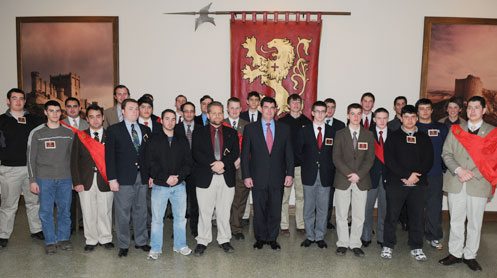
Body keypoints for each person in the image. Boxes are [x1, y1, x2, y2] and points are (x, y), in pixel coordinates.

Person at [439, 96, 496, 272]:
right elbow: (446, 153)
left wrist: (472, 173)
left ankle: (470, 255)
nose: (472, 111)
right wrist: (459, 170)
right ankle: (455, 253)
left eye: (476, 107)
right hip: (456, 180)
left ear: (484, 110)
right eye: (470, 107)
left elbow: (494, 160)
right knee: (455, 220)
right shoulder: (455, 130)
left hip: (478, 183)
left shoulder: (493, 132)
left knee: (474, 222)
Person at [381, 105, 434, 261]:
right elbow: (389, 159)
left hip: (419, 183)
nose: (409, 120)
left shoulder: (424, 137)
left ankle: (416, 246)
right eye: (406, 117)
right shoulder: (393, 136)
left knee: (417, 216)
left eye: (412, 117)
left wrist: (415, 176)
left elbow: (429, 160)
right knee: (392, 215)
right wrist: (405, 175)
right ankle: (388, 245)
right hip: (397, 182)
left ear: (416, 118)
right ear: (401, 118)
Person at [241, 96, 294, 250]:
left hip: (278, 177)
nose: (269, 111)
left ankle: (272, 238)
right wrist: (246, 175)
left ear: (276, 109)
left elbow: (289, 154)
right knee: (259, 209)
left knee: (275, 209)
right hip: (257, 177)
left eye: (272, 108)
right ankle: (260, 238)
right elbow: (245, 155)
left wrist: (289, 173)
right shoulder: (250, 128)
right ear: (261, 109)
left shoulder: (284, 128)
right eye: (266, 107)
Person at [143, 109, 193, 260]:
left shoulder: (182, 139)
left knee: (180, 218)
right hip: (160, 186)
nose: (170, 122)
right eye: (167, 119)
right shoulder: (153, 139)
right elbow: (150, 163)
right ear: (162, 121)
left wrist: (179, 177)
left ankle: (180, 245)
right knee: (157, 219)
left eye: (173, 119)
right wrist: (165, 178)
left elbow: (188, 162)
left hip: (179, 185)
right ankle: (156, 248)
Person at [191, 101, 239, 256]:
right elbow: (196, 153)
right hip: (206, 176)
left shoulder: (231, 132)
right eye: (214, 113)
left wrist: (222, 164)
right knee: (204, 211)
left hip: (226, 176)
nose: (217, 116)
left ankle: (224, 239)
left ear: (223, 114)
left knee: (224, 212)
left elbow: (235, 153)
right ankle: (202, 241)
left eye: (220, 113)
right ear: (208, 114)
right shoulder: (198, 132)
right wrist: (214, 164)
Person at [105, 98, 151, 257]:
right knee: (123, 213)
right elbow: (109, 157)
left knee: (141, 211)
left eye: (137, 109)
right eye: (131, 108)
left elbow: (148, 156)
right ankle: (123, 244)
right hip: (122, 178)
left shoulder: (145, 131)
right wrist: (112, 179)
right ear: (123, 111)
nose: (135, 111)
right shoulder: (113, 130)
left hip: (142, 177)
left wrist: (150, 175)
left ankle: (141, 241)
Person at [27, 100, 74, 254]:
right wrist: (32, 180)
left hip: (65, 178)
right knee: (46, 211)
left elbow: (73, 158)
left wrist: (74, 179)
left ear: (61, 113)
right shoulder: (37, 133)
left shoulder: (69, 133)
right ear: (45, 112)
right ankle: (50, 241)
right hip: (44, 179)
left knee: (64, 210)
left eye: (57, 111)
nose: (55, 114)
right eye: (51, 111)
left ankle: (63, 238)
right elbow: (31, 158)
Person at [0, 88, 44, 248]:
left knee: (34, 202)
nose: (18, 101)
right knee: (8, 204)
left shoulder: (35, 120)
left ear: (24, 101)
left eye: (21, 98)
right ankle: (3, 234)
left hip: (32, 169)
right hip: (9, 169)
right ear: (8, 101)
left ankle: (36, 230)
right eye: (14, 98)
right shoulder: (1, 121)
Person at [333, 103, 375, 257]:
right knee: (342, 214)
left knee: (359, 215)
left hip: (361, 180)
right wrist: (349, 174)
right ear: (347, 115)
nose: (356, 116)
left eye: (359, 113)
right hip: (343, 179)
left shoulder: (368, 135)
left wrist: (359, 175)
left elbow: (370, 159)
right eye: (353, 113)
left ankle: (355, 243)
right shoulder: (340, 134)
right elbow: (336, 157)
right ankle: (343, 243)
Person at [70, 104, 114, 252]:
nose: (95, 120)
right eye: (91, 117)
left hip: (105, 179)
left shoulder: (111, 135)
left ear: (103, 118)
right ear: (87, 119)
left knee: (105, 210)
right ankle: (91, 239)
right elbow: (74, 160)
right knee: (88, 211)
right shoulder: (80, 135)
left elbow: (116, 160)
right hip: (85, 180)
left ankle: (106, 238)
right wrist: (76, 182)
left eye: (98, 116)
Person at [296, 101, 336, 249]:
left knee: (323, 208)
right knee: (308, 207)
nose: (320, 114)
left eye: (322, 111)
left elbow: (335, 154)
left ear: (326, 113)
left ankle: (319, 236)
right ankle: (309, 236)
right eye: (317, 111)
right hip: (309, 174)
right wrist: (308, 164)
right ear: (312, 113)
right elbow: (298, 152)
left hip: (326, 175)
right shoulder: (304, 130)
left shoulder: (332, 132)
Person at [415, 98, 448, 250]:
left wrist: (444, 168)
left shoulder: (441, 128)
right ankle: (416, 237)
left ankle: (433, 236)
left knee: (434, 206)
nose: (425, 111)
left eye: (428, 108)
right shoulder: (412, 127)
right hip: (416, 175)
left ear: (432, 110)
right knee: (416, 206)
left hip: (435, 174)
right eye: (422, 108)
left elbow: (448, 150)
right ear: (417, 111)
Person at [278, 94, 311, 236]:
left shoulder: (308, 122)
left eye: (299, 102)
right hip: (285, 166)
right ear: (288, 105)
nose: (296, 104)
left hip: (302, 167)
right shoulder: (281, 122)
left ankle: (300, 224)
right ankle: (284, 225)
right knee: (284, 197)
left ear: (302, 105)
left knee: (300, 196)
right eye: (293, 102)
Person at [361, 107, 391, 248]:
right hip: (369, 177)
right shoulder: (366, 134)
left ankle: (381, 236)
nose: (382, 121)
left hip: (388, 178)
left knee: (384, 210)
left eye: (385, 118)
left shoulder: (394, 134)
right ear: (374, 119)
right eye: (379, 118)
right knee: (367, 209)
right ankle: (366, 235)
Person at [224, 97, 250, 240]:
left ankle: (236, 227)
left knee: (239, 200)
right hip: (224, 170)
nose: (234, 111)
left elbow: (250, 147)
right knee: (224, 200)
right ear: (227, 109)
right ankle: (224, 228)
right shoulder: (221, 124)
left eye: (237, 108)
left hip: (241, 168)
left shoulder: (248, 126)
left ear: (241, 109)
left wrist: (240, 159)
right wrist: (229, 162)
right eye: (231, 108)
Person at [62, 97, 88, 232]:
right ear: (65, 109)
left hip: (84, 166)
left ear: (79, 108)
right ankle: (70, 226)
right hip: (66, 166)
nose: (72, 109)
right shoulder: (60, 124)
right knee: (68, 199)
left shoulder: (87, 124)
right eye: (69, 106)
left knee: (84, 196)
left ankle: (84, 223)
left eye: (75, 106)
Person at [323, 98, 345, 230]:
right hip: (320, 165)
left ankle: (326, 220)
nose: (330, 110)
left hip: (335, 166)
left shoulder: (340, 125)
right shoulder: (315, 123)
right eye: (328, 107)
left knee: (330, 194)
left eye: (332, 107)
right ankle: (317, 219)